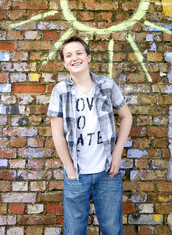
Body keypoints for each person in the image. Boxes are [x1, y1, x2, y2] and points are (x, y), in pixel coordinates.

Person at [47, 35, 132, 235]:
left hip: (107, 174)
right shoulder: (59, 91)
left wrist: (118, 154)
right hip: (76, 174)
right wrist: (69, 168)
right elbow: (57, 134)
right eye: (68, 55)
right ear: (64, 62)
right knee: (74, 231)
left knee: (112, 230)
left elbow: (126, 117)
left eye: (79, 53)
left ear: (88, 57)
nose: (74, 58)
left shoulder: (107, 85)